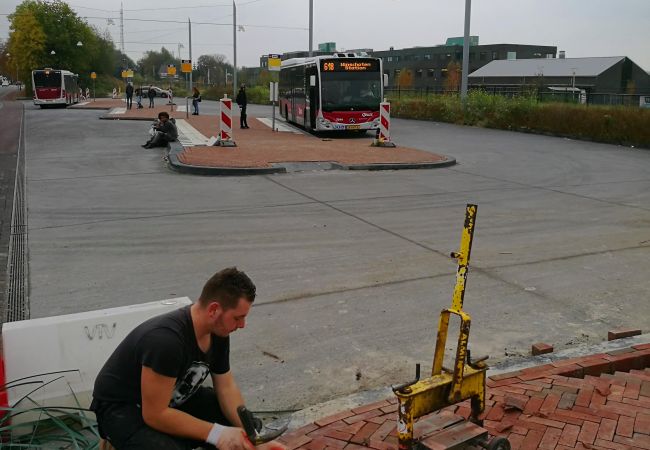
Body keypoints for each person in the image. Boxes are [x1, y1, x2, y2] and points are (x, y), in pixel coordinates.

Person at [91, 268, 286, 450]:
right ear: (214, 310)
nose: (242, 325)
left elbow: (226, 388)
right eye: (237, 318)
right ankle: (114, 441)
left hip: (170, 397)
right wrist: (218, 434)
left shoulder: (218, 333)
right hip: (123, 408)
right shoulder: (166, 341)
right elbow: (155, 415)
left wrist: (254, 438)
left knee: (244, 425)